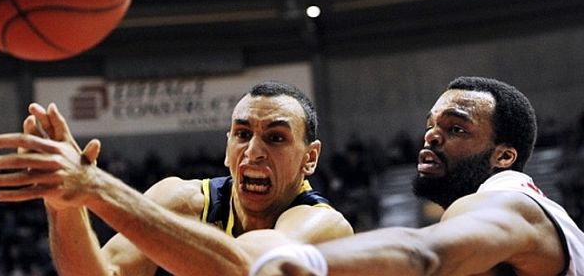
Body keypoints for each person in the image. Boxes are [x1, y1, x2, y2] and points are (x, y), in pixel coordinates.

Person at [0, 81, 353, 276]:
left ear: (310, 159)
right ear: (226, 148)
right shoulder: (183, 200)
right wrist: (64, 205)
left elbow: (246, 269)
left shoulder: (323, 227)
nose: (253, 151)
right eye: (242, 134)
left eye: (275, 138)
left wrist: (95, 186)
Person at [250, 76, 584, 276]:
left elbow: (422, 254)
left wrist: (295, 262)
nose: (432, 137)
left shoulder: (510, 200)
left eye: (455, 128)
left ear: (504, 156)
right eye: (430, 125)